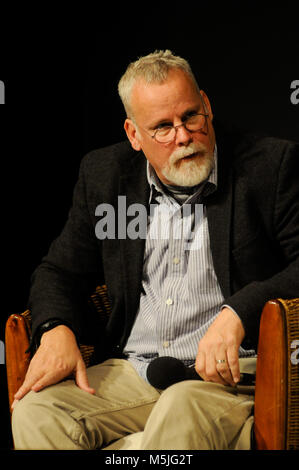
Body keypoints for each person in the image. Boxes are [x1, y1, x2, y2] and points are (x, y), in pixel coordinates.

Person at [11, 50, 299, 450]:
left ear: (208, 106)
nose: (183, 136)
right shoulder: (106, 176)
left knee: (180, 407)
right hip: (134, 372)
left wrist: (238, 311)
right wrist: (54, 328)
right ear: (134, 135)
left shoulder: (268, 167)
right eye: (162, 127)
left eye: (190, 116)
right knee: (38, 409)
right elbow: (59, 270)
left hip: (227, 377)